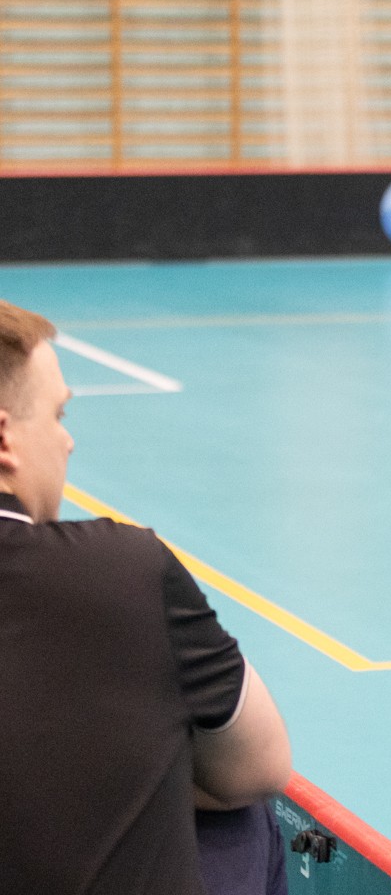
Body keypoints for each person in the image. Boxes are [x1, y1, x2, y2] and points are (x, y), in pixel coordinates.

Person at [0, 300, 294, 895]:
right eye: (57, 415)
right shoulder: (120, 569)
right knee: (244, 821)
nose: (67, 442)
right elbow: (260, 768)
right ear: (4, 438)